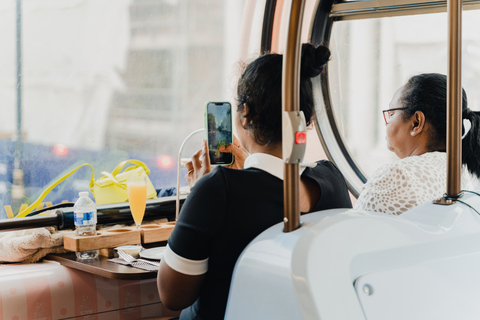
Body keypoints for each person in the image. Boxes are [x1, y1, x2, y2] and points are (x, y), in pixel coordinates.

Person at [157, 43, 352, 320]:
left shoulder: (218, 188)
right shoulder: (332, 178)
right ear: (305, 119)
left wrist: (199, 192)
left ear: (245, 113)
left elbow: (173, 296)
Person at [354, 73, 480, 215]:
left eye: (392, 113)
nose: (387, 122)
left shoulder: (397, 175)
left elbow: (355, 230)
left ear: (416, 123)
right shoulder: (460, 173)